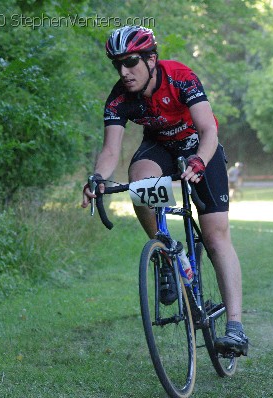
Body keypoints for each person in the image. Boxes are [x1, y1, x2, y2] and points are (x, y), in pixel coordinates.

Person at [81, 26, 248, 356]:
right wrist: (98, 178)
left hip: (197, 145)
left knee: (215, 236)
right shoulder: (119, 99)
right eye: (118, 65)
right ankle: (165, 251)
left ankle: (235, 327)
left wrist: (200, 160)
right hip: (159, 148)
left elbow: (208, 129)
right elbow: (111, 150)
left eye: (130, 62)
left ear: (150, 59)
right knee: (139, 181)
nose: (124, 72)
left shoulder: (180, 77)